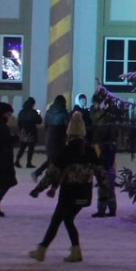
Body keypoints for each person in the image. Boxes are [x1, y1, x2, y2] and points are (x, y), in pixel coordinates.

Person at [28, 112, 98, 263]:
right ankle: (75, 250)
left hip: (69, 194)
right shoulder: (90, 151)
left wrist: (38, 189)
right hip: (85, 194)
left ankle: (42, 250)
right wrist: (106, 193)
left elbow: (52, 173)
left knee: (57, 220)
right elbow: (101, 171)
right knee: (67, 219)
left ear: (69, 132)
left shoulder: (66, 151)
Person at [35, 95, 70, 180]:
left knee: (52, 157)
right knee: (57, 158)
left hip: (49, 136)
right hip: (59, 137)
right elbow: (67, 126)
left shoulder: (48, 112)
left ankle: (42, 173)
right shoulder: (64, 112)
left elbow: (46, 125)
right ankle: (44, 174)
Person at [90, 122, 119, 218]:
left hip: (104, 170)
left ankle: (101, 210)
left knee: (103, 191)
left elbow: (100, 159)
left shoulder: (102, 146)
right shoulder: (112, 146)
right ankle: (112, 210)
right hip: (111, 170)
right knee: (111, 191)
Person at [15, 97, 41, 168]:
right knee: (31, 148)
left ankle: (17, 160)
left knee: (22, 147)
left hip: (24, 132)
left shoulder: (21, 112)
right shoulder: (34, 112)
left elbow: (19, 123)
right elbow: (39, 121)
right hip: (32, 132)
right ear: (32, 104)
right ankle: (28, 163)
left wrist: (21, 131)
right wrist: (38, 113)